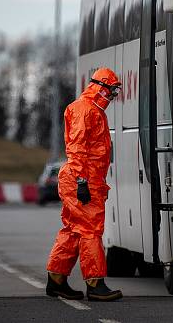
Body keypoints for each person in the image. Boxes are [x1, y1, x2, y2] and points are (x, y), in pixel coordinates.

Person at [46, 68, 123, 302]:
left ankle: (56, 280)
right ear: (101, 87)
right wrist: (81, 182)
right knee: (90, 230)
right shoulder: (85, 110)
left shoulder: (93, 110)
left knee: (73, 229)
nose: (112, 96)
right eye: (111, 90)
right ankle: (95, 284)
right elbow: (77, 147)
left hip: (85, 179)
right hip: (82, 179)